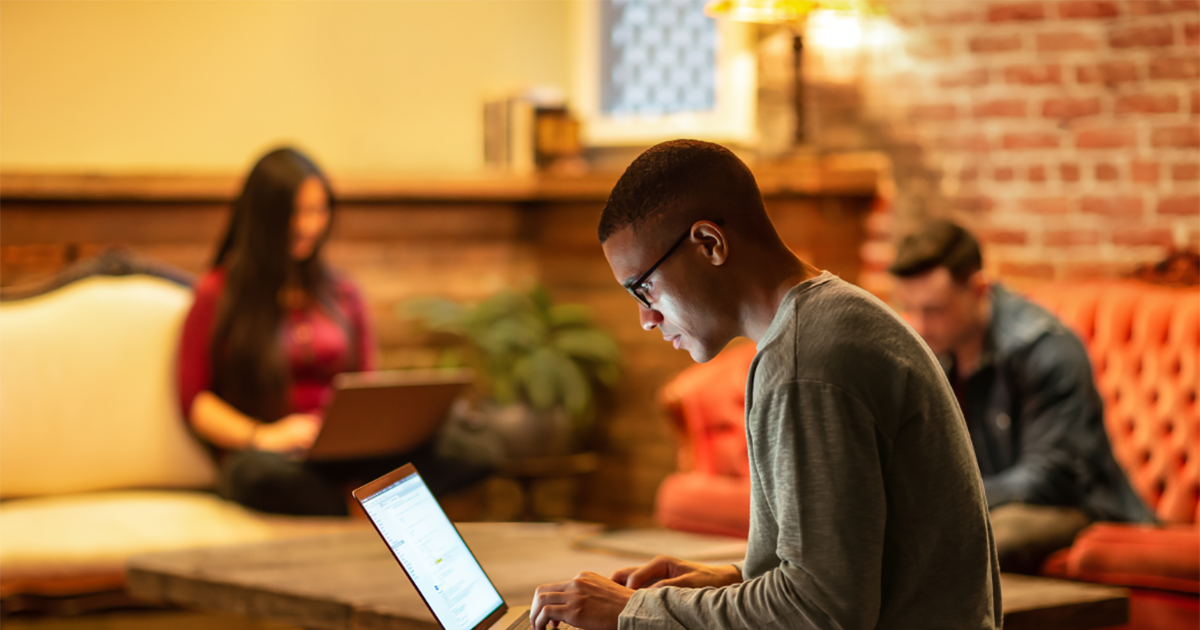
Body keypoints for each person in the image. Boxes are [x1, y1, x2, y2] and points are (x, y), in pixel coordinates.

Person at [530, 140, 1001, 630]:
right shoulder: (835, 317)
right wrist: (733, 579)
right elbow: (845, 574)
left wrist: (636, 611)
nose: (646, 318)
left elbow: (821, 612)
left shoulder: (805, 360)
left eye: (642, 287)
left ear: (709, 243)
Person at [178, 147, 477, 516]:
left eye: (318, 210)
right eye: (295, 212)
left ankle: (357, 499)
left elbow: (367, 385)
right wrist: (263, 436)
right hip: (272, 457)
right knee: (254, 475)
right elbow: (195, 401)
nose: (308, 225)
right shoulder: (217, 293)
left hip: (346, 454)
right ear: (264, 217)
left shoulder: (343, 293)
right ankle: (364, 506)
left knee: (475, 447)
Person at [889, 219, 1154, 574]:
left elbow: (1047, 478)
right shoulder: (937, 351)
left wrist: (942, 500)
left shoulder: (1045, 350)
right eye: (912, 308)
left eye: (934, 309)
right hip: (996, 503)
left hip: (1077, 508)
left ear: (978, 289)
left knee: (986, 538)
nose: (919, 324)